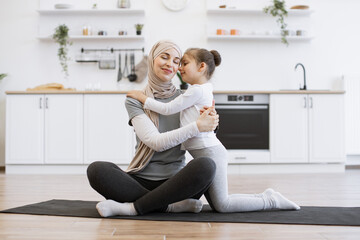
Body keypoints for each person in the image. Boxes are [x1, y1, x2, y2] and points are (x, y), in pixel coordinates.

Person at [127, 48, 300, 213]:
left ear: (201, 67)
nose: (179, 67)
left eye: (183, 62)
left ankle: (270, 200)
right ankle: (267, 197)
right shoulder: (198, 90)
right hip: (206, 153)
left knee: (223, 204)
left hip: (210, 153)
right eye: (169, 59)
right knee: (220, 202)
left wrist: (143, 98)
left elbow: (168, 109)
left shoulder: (194, 91)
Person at [86, 40, 219, 217]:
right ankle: (169, 206)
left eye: (176, 61)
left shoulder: (185, 97)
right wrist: (197, 126)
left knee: (206, 165)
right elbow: (155, 143)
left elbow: (206, 133)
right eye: (164, 57)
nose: (170, 64)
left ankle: (135, 207)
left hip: (177, 182)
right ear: (152, 60)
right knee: (97, 170)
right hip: (140, 180)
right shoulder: (136, 99)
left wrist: (212, 122)